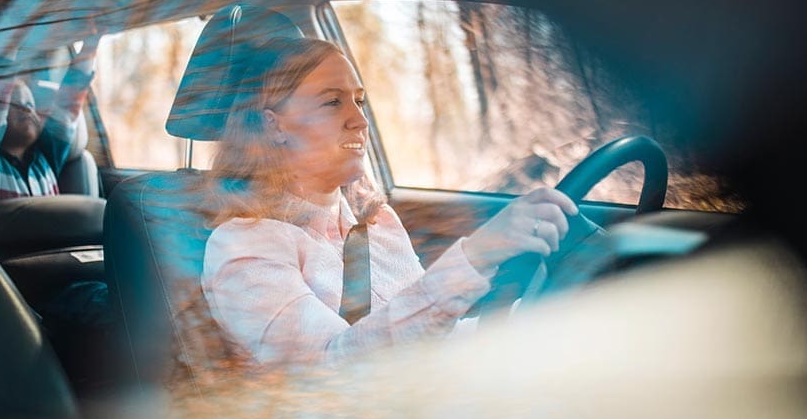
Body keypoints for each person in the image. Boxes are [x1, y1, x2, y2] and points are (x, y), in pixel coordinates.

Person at [201, 37, 578, 368]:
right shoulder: (245, 247)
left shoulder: (377, 220)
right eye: (332, 102)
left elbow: (423, 335)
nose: (360, 121)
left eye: (359, 101)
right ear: (274, 126)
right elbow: (333, 371)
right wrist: (475, 256)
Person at [0, 36, 99, 218]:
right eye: (14, 103)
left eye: (30, 104)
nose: (26, 108)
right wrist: (13, 37)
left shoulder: (48, 159)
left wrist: (91, 43)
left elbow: (67, 106)